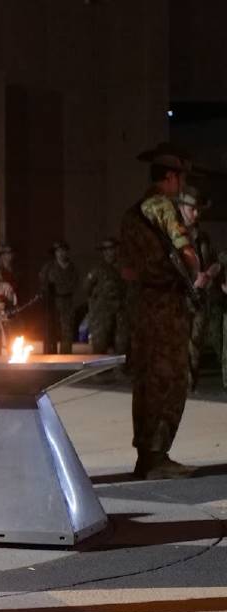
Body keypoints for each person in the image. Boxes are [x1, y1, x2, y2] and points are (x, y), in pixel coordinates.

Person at [120, 142, 214, 480]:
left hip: (143, 307)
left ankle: (147, 456)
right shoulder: (162, 206)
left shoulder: (132, 213)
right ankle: (157, 458)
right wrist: (194, 274)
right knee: (170, 380)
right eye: (182, 179)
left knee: (147, 381)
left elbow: (127, 267)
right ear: (171, 177)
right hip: (166, 308)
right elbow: (186, 252)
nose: (183, 186)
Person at [178, 187, 224, 388]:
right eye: (192, 209)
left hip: (199, 299)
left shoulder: (202, 236)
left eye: (199, 210)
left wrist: (210, 273)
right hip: (178, 298)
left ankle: (190, 387)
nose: (196, 214)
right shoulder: (170, 235)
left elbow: (213, 261)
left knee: (195, 345)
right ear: (181, 207)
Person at [84, 238, 129, 354]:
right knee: (100, 342)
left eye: (112, 249)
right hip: (102, 312)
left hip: (120, 310)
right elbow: (86, 288)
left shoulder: (122, 268)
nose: (110, 252)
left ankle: (120, 370)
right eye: (107, 249)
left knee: (121, 342)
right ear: (103, 252)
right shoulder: (97, 269)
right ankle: (100, 370)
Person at [39, 241, 79, 354]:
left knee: (67, 333)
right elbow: (43, 283)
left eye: (63, 251)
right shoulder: (48, 267)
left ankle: (65, 358)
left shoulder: (72, 268)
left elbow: (75, 284)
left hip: (67, 303)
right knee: (50, 332)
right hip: (52, 303)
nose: (61, 253)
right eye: (58, 251)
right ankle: (49, 357)